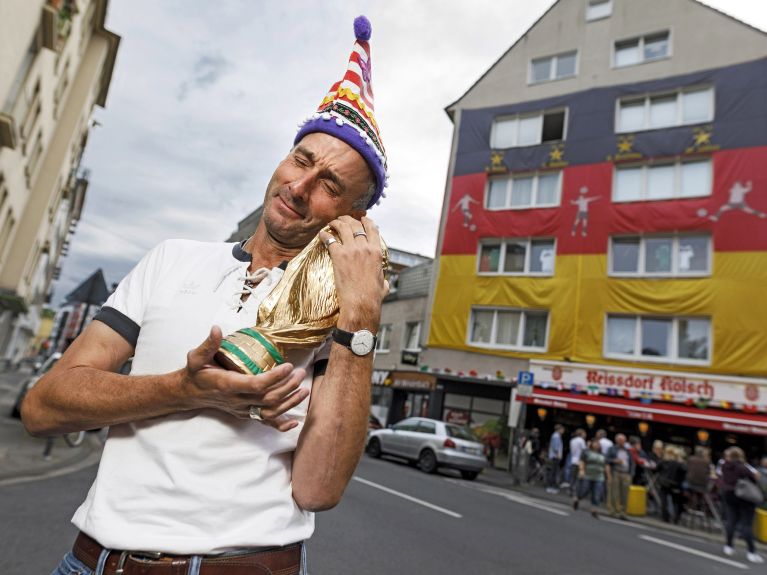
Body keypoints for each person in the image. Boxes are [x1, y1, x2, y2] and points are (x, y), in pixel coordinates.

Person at [22, 16, 390, 575]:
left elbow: (317, 489)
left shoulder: (339, 320)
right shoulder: (173, 259)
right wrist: (188, 389)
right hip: (96, 562)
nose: (299, 186)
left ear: (352, 219)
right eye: (302, 160)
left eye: (330, 186)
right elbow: (45, 407)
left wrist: (360, 315)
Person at [720, 447, 764, 563]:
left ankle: (728, 546)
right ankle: (751, 552)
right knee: (746, 524)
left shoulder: (725, 466)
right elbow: (755, 479)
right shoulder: (743, 467)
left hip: (728, 494)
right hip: (744, 496)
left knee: (731, 521)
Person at [574, 439, 609, 518]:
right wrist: (581, 470)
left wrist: (608, 476)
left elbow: (606, 465)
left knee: (597, 493)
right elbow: (582, 462)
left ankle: (594, 510)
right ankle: (577, 499)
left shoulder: (603, 455)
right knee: (584, 490)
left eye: (598, 444)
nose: (597, 445)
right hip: (588, 475)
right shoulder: (586, 452)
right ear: (592, 444)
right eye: (595, 443)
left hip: (599, 476)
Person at [656, 445, 687, 524]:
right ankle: (676, 518)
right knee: (676, 501)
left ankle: (665, 517)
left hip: (664, 482)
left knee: (664, 500)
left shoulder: (664, 460)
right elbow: (684, 471)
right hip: (674, 484)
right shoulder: (678, 463)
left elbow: (657, 468)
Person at [606, 433, 634, 519]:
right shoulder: (612, 449)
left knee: (625, 494)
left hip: (626, 473)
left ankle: (623, 512)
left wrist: (631, 474)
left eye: (624, 440)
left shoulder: (628, 451)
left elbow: (631, 463)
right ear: (617, 440)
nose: (622, 442)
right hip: (616, 472)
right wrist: (614, 461)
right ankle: (613, 511)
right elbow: (607, 459)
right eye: (620, 440)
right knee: (614, 493)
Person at [568, 428, 587, 499]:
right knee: (578, 478)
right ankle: (575, 492)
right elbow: (584, 450)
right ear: (581, 434)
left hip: (573, 460)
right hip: (579, 461)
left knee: (572, 477)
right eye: (584, 434)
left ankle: (571, 490)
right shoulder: (581, 441)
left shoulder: (572, 440)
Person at [546, 424, 565, 493]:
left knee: (553, 471)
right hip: (555, 456)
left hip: (554, 456)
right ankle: (551, 486)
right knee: (554, 472)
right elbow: (555, 447)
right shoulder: (556, 436)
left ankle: (551, 486)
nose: (563, 431)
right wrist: (558, 454)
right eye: (562, 429)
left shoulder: (556, 436)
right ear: (559, 429)